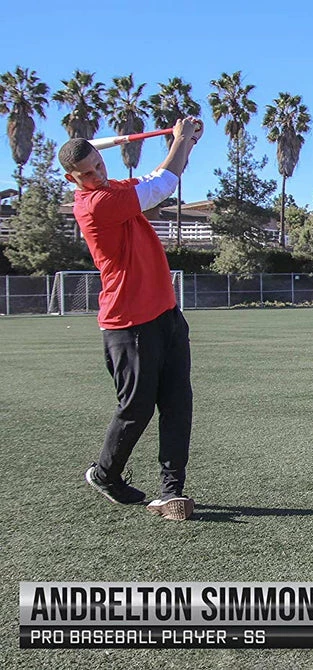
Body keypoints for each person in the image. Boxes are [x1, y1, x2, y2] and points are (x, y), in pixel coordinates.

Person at [58, 117, 203, 521]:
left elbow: (160, 175)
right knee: (136, 407)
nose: (96, 176)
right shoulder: (94, 204)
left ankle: (171, 492)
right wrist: (180, 139)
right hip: (127, 323)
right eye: (86, 174)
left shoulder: (112, 188)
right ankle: (105, 474)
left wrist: (187, 142)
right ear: (73, 178)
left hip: (165, 314)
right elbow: (161, 186)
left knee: (178, 403)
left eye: (99, 167)